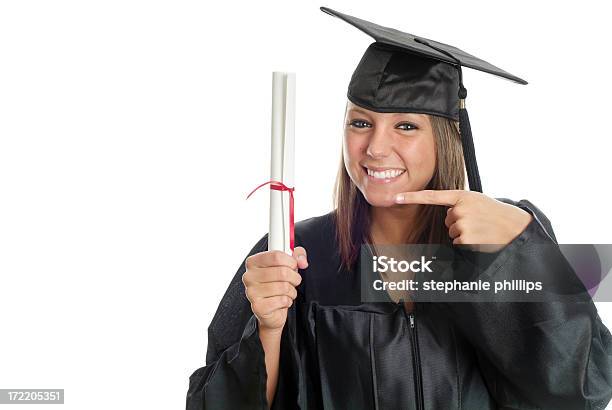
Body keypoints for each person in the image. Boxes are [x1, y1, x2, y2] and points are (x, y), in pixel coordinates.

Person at [186, 7, 612, 410]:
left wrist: (520, 246)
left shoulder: (508, 232)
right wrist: (269, 330)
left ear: (446, 139)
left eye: (406, 126)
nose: (375, 147)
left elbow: (581, 392)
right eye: (360, 122)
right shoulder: (298, 254)